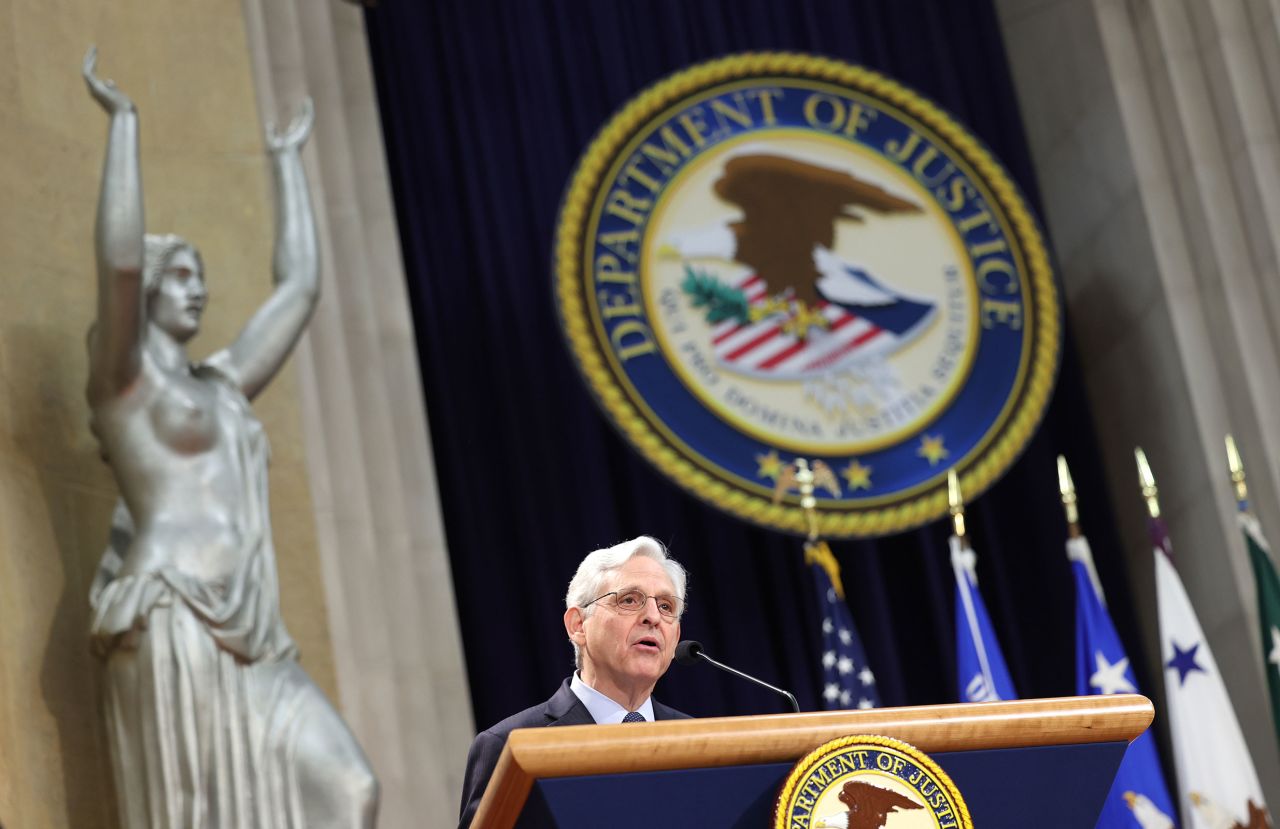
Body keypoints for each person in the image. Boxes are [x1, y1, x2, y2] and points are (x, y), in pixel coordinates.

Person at [81, 48, 378, 827]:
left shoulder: (222, 383)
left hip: (256, 639)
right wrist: (125, 127)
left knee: (351, 790)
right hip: (173, 617)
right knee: (190, 813)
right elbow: (114, 260)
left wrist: (284, 162)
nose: (199, 286)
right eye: (181, 272)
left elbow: (301, 288)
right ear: (145, 289)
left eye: (201, 273)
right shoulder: (123, 386)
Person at [457, 536, 691, 828]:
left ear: (676, 637)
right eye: (629, 600)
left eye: (667, 606)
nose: (653, 617)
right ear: (578, 625)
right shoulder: (510, 745)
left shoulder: (700, 742)